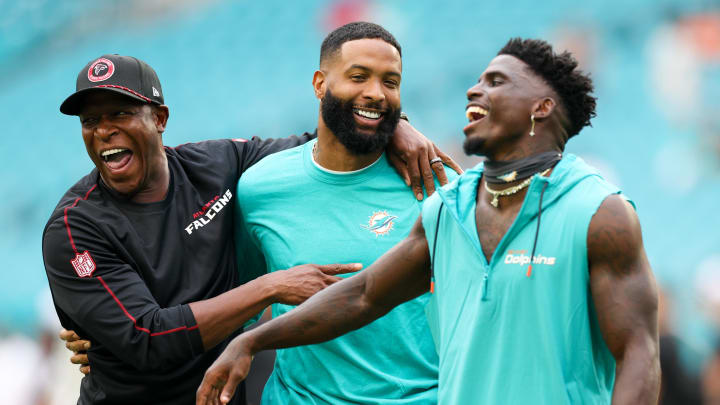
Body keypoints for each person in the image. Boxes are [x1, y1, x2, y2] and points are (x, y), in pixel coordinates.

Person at [198, 38, 661, 405]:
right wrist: (254, 340)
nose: (473, 90)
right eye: (478, 80)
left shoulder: (599, 213)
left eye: (496, 82)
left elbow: (639, 354)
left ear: (541, 107)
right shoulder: (449, 206)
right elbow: (363, 295)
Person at [43, 54, 456, 404]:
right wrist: (270, 287)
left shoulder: (219, 165)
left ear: (160, 118)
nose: (103, 130)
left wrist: (399, 125)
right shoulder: (75, 228)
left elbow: (328, 140)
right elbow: (147, 339)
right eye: (90, 120)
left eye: (120, 113)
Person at [231, 22, 458, 404]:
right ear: (320, 84)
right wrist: (106, 335)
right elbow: (237, 299)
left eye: (391, 82)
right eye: (358, 77)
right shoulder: (260, 188)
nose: (376, 93)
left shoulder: (437, 182)